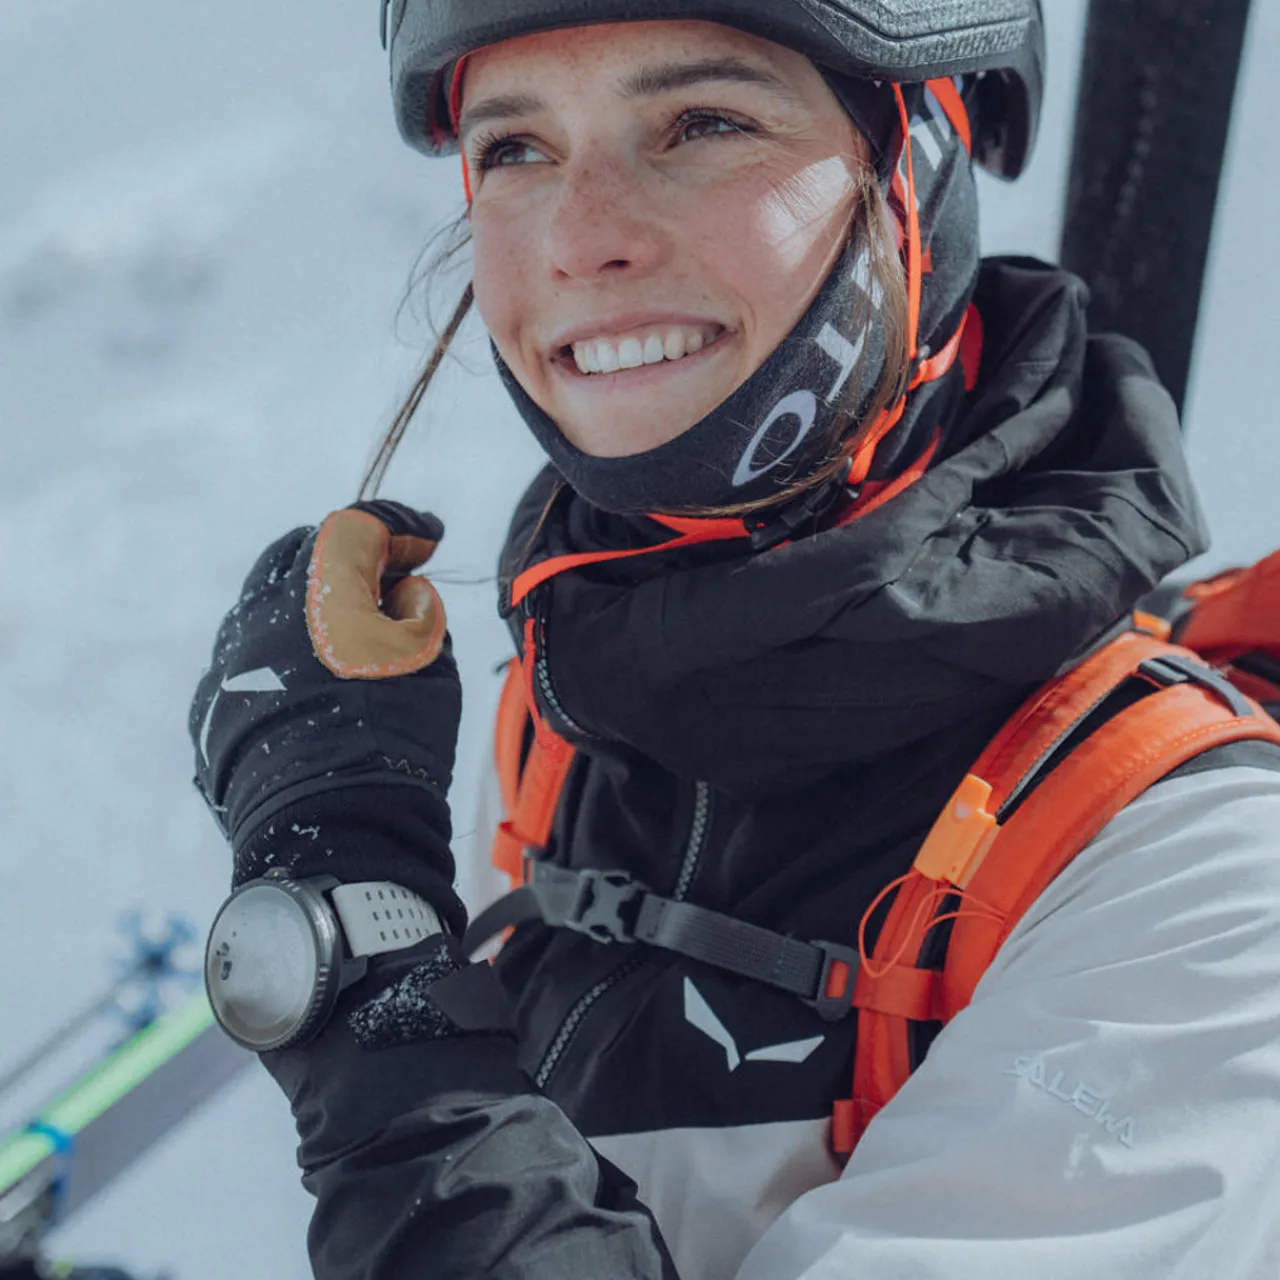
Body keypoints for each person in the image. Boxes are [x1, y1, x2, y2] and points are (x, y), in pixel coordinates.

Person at [190, 3, 1280, 1277]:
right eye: (514, 149)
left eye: (704, 123)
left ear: (916, 167)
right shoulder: (555, 719)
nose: (580, 237)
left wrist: (355, 943)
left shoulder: (1190, 877)